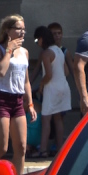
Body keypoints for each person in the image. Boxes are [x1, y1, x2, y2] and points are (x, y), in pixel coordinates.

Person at [0, 15, 37, 175]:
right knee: (2, 148)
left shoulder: (25, 52)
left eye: (23, 29)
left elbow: (26, 80)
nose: (22, 32)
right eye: (18, 29)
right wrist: (9, 50)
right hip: (1, 99)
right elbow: (1, 71)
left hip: (18, 100)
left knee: (21, 147)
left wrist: (31, 104)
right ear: (8, 31)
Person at [34, 25, 71, 157]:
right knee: (58, 119)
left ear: (41, 39)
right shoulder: (60, 50)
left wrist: (41, 85)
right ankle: (60, 149)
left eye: (36, 40)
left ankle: (43, 150)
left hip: (52, 88)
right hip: (64, 87)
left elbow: (48, 75)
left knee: (46, 120)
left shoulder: (46, 53)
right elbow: (66, 71)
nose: (37, 43)